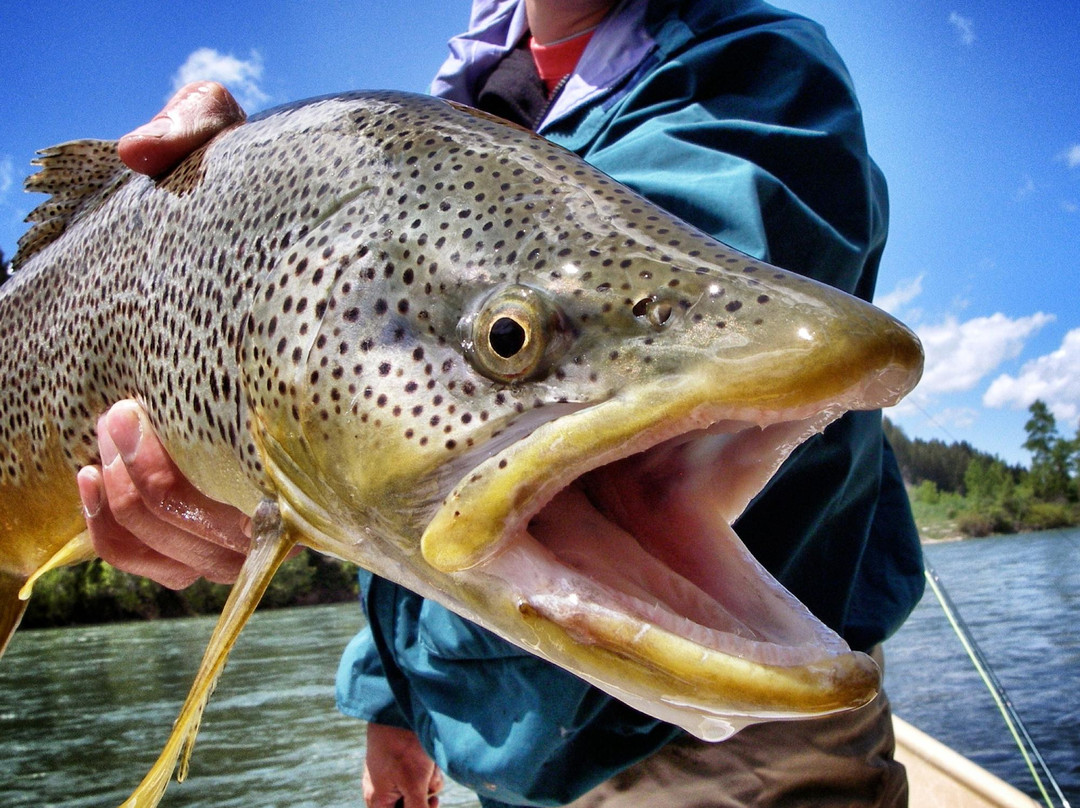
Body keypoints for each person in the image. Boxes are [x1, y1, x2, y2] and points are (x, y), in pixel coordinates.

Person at [80, 1, 924, 806]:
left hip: (733, 766)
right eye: (510, 339)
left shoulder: (757, 69)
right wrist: (391, 704)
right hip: (505, 757)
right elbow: (400, 467)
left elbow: (586, 402)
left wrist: (262, 201)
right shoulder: (475, 104)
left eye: (508, 339)